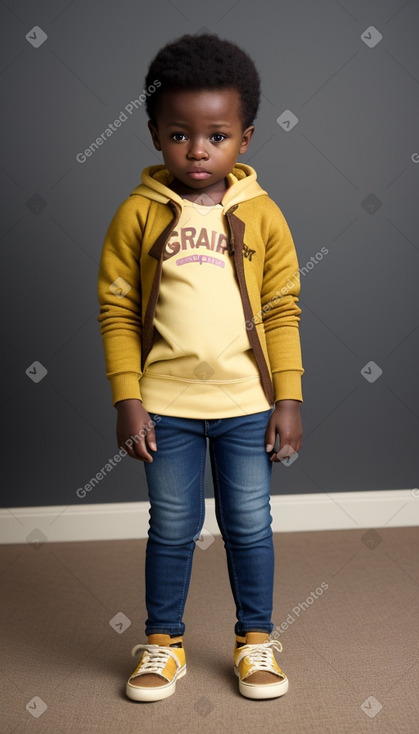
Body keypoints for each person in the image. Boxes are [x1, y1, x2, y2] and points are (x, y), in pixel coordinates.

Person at [97, 32, 304, 702]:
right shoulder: (137, 215)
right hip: (167, 408)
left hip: (246, 404)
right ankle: (163, 643)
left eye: (215, 135)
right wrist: (127, 399)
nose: (197, 150)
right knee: (173, 526)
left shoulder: (264, 216)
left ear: (244, 138)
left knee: (249, 524)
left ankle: (255, 640)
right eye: (180, 134)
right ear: (156, 133)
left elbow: (281, 308)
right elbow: (117, 312)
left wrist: (288, 399)